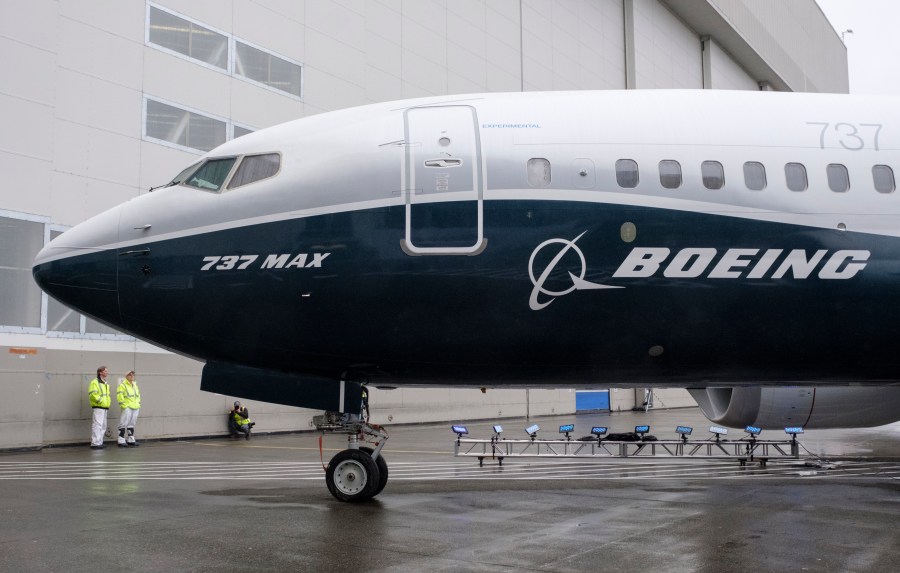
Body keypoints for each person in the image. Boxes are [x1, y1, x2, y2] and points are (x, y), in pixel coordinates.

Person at [87, 366, 111, 449]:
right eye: (105, 371)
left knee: (103, 425)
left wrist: (106, 403)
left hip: (104, 407)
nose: (107, 372)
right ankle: (95, 443)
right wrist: (101, 401)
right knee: (97, 425)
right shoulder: (95, 382)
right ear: (100, 372)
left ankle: (99, 442)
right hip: (99, 407)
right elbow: (93, 394)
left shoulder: (105, 383)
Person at [116, 370, 141, 447]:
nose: (132, 376)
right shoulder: (122, 385)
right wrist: (124, 406)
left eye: (133, 374)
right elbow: (120, 396)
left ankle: (131, 440)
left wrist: (138, 403)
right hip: (127, 407)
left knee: (132, 424)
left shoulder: (135, 385)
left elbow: (138, 396)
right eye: (130, 375)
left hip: (135, 407)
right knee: (123, 423)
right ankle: (121, 440)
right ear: (126, 376)